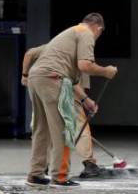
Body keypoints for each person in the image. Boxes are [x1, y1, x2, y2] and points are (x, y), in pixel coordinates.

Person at [24, 13, 117, 189]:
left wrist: (85, 100)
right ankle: (60, 176)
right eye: (100, 34)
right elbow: (85, 66)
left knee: (41, 129)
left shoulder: (67, 35)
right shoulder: (86, 33)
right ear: (98, 28)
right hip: (53, 79)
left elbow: (69, 76)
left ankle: (35, 174)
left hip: (38, 78)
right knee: (64, 129)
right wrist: (106, 71)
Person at [22, 46, 100, 179]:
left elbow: (29, 53)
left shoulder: (55, 47)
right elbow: (78, 84)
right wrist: (85, 100)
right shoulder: (82, 55)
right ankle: (86, 164)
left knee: (43, 127)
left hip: (47, 88)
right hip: (57, 88)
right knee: (74, 127)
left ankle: (43, 167)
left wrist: (25, 75)